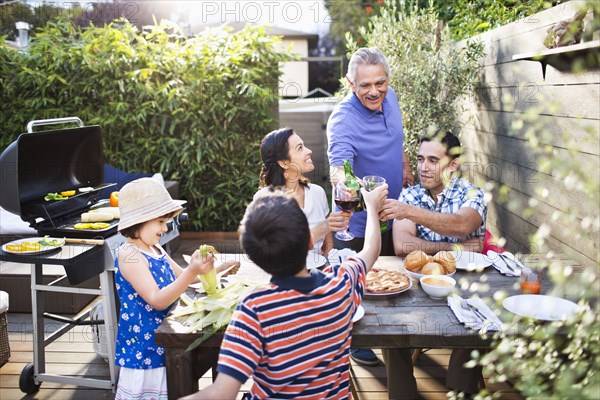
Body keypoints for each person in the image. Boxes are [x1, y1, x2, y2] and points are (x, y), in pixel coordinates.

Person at [181, 183, 388, 399]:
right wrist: (372, 207)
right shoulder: (340, 284)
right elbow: (371, 250)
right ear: (310, 241)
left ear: (257, 259)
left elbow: (221, 393)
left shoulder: (254, 309)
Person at [379, 130, 488, 398]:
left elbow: (463, 223)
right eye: (419, 159)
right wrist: (458, 248)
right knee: (391, 333)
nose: (423, 168)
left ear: (453, 165)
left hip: (464, 288)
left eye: (432, 160)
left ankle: (459, 392)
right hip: (417, 291)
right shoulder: (410, 195)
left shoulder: (473, 193)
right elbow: (403, 244)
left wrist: (412, 215)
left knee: (476, 327)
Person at [327, 47, 414, 365]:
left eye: (380, 83)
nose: (374, 91)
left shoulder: (390, 99)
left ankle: (393, 341)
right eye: (365, 85)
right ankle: (353, 341)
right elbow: (339, 168)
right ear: (351, 83)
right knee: (357, 289)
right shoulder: (343, 121)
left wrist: (403, 162)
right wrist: (345, 182)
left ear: (388, 80)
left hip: (390, 213)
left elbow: (396, 138)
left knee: (389, 284)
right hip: (359, 224)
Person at [113, 178, 234, 400]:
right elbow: (157, 299)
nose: (165, 227)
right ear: (139, 220)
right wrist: (191, 273)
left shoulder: (156, 249)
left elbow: (191, 279)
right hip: (145, 350)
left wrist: (217, 269)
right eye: (160, 221)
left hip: (168, 340)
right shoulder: (128, 255)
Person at [254, 127, 350, 256]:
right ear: (284, 162)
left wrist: (329, 267)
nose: (309, 151)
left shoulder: (317, 193)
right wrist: (322, 228)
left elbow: (328, 245)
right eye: (300, 148)